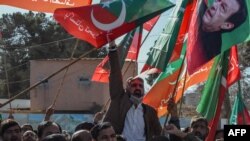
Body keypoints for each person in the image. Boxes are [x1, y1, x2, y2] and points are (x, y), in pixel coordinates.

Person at [103, 41, 162, 140]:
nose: (138, 88)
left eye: (140, 86)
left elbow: (159, 134)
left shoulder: (150, 111)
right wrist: (113, 49)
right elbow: (115, 74)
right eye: (134, 85)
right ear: (128, 88)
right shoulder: (119, 100)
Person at [187, 0, 247, 73]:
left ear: (226, 25)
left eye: (222, 7)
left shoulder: (211, 55)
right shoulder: (198, 7)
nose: (214, 6)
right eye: (218, 0)